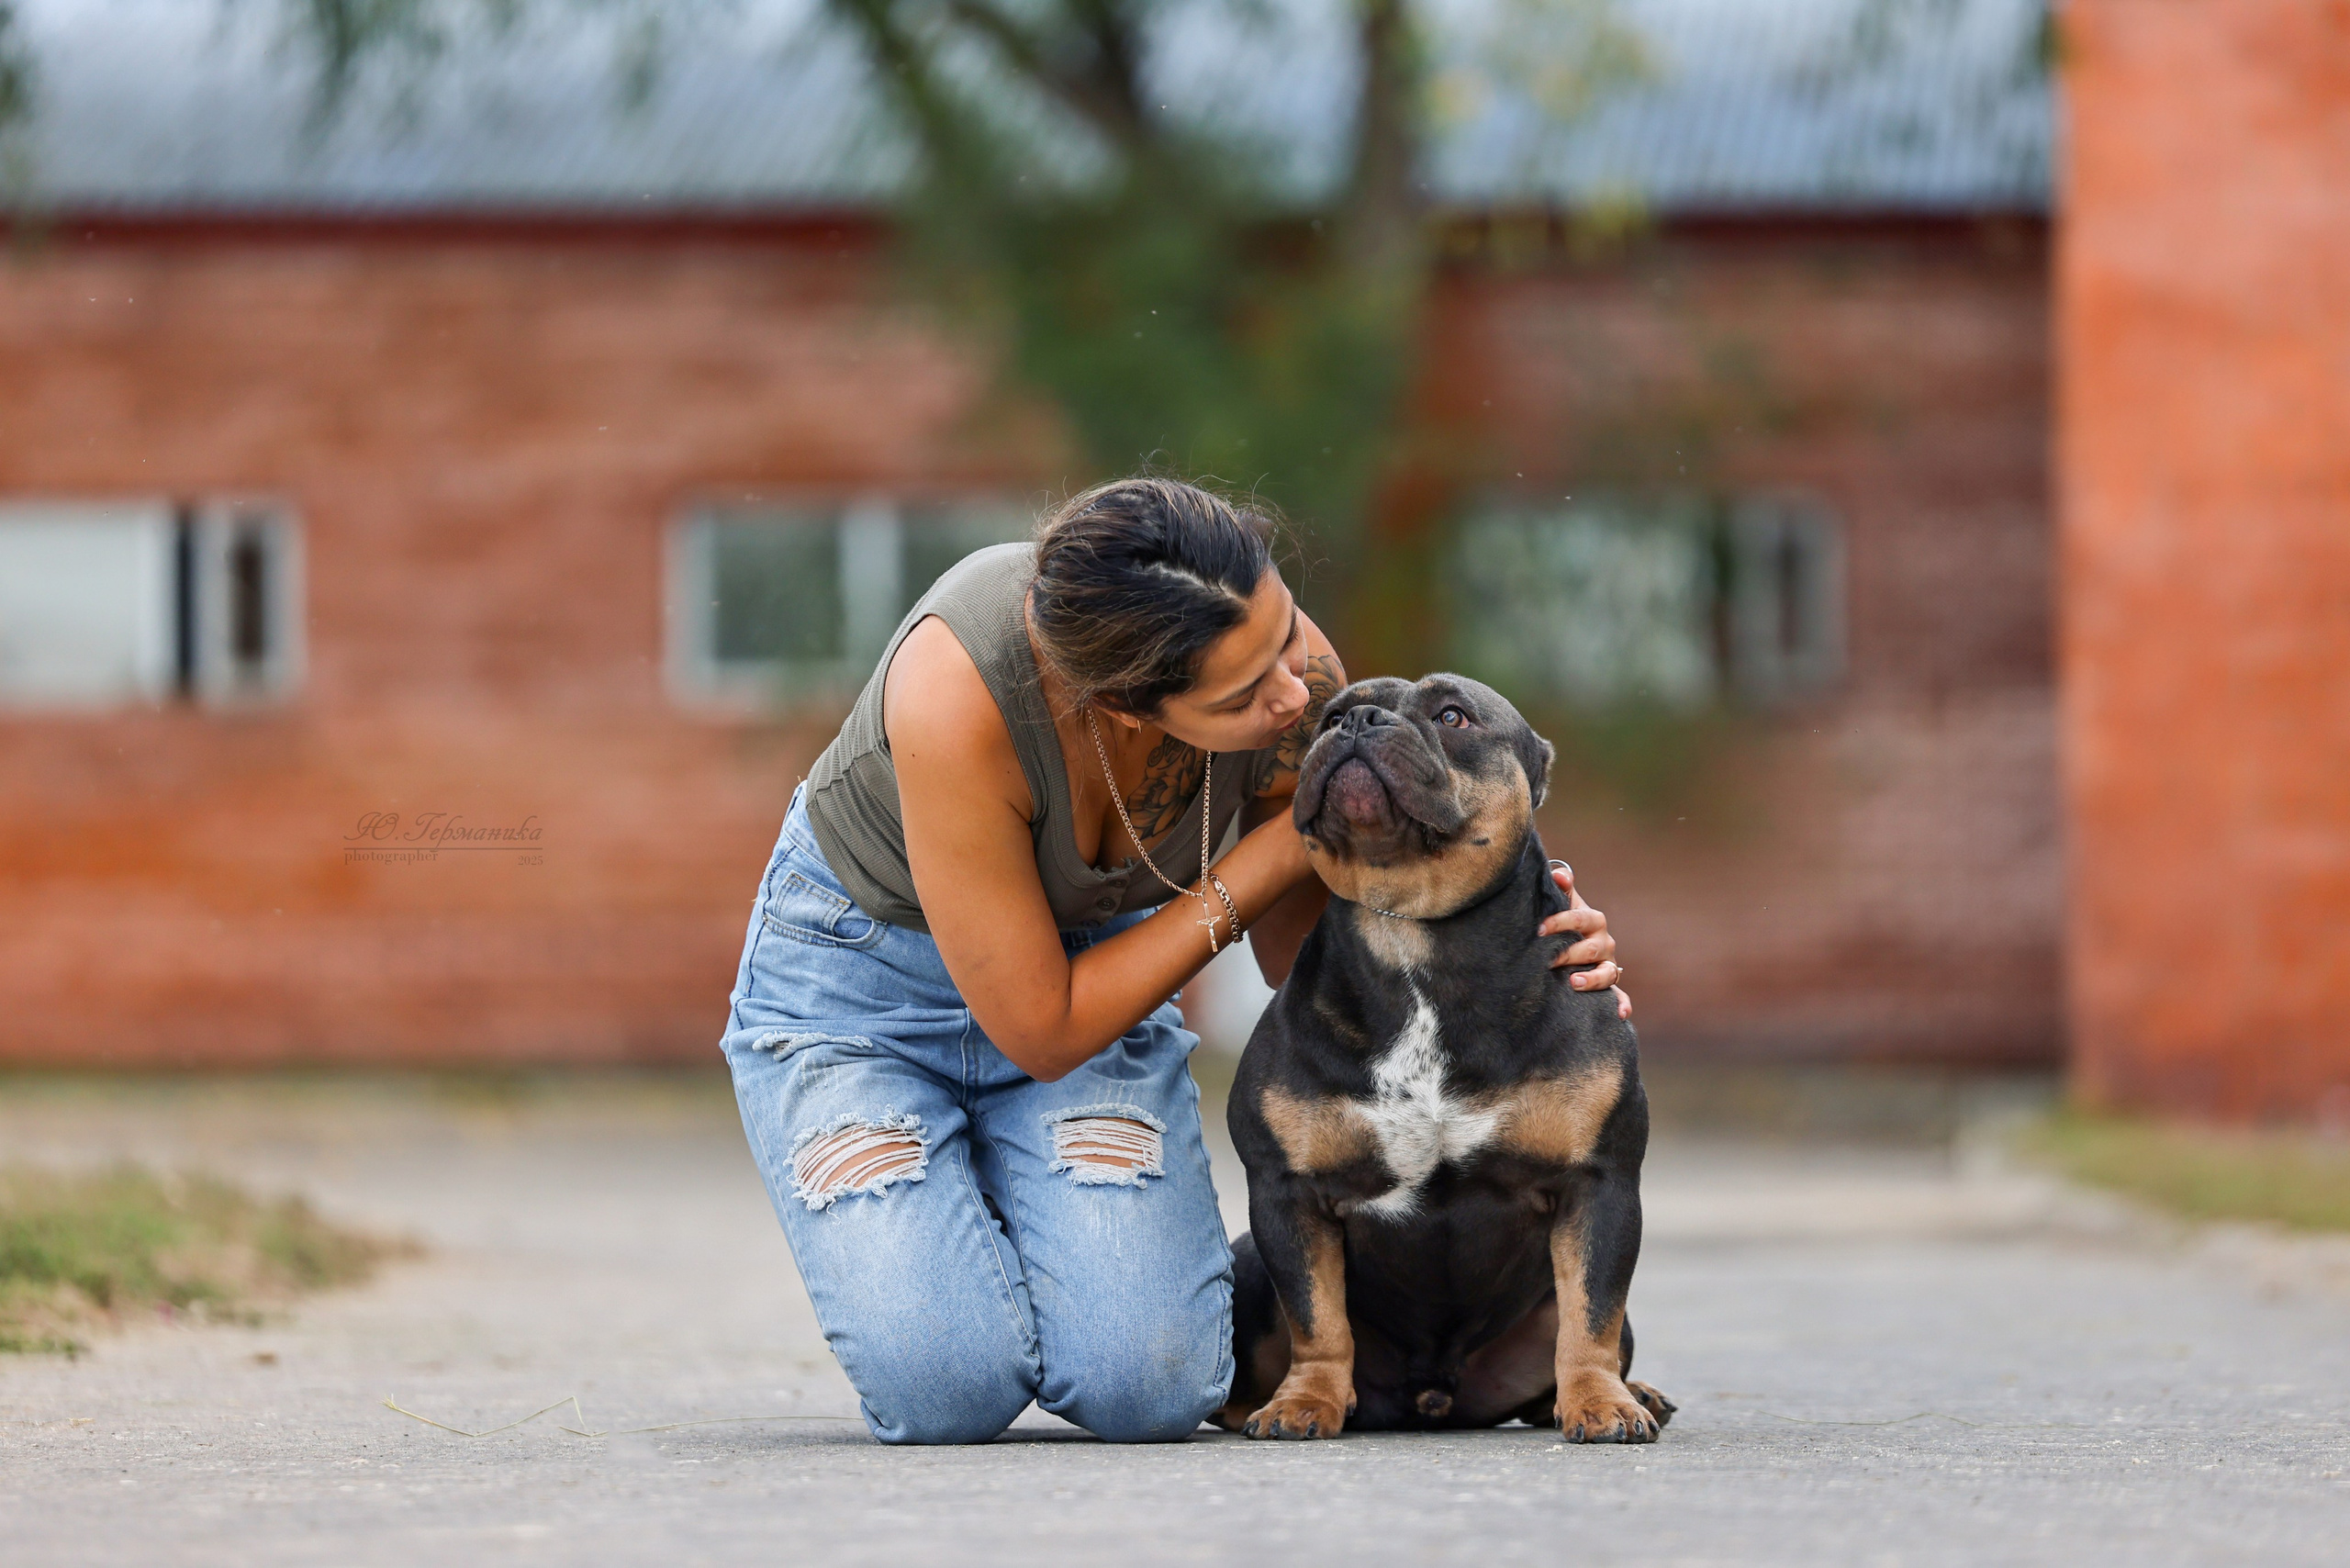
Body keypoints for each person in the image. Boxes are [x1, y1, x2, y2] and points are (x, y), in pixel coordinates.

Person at [718, 476, 1627, 1444]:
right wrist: (1273, 852)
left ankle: (1032, 1198)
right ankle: (963, 1189)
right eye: (1243, 694)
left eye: (1285, 638)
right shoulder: (955, 689)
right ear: (1124, 702)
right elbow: (1041, 1029)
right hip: (866, 999)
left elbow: (1303, 962)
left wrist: (1527, 959)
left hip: (1100, 973)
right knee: (946, 1389)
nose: (1294, 693)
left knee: (1150, 1388)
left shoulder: (1285, 666)